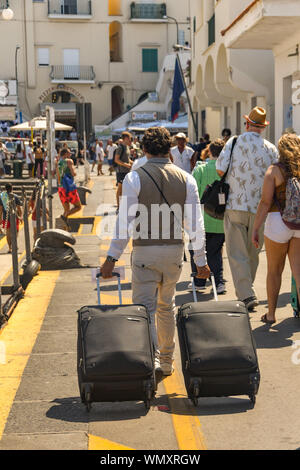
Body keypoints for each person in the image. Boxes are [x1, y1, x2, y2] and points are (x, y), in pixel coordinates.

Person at [100, 127, 210, 378]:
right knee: (166, 307)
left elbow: (124, 222)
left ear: (144, 150)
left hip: (144, 253)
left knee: (144, 309)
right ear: (169, 149)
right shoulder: (186, 179)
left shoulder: (134, 178)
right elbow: (195, 224)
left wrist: (111, 259)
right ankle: (167, 360)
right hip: (174, 252)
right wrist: (200, 260)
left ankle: (149, 360)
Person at [216, 106, 279, 311]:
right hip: (261, 207)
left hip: (235, 204)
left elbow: (219, 169)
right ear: (262, 128)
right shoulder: (271, 148)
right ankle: (247, 290)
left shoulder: (234, 142)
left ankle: (246, 293)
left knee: (236, 252)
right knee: (253, 251)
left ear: (247, 124)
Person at [252, 133, 300, 324]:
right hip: (299, 224)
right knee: (298, 269)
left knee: (274, 270)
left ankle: (271, 314)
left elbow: (265, 203)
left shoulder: (274, 170)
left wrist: (255, 229)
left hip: (277, 222)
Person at [191, 139, 226, 294]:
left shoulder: (200, 170)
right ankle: (218, 282)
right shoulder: (227, 170)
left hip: (201, 219)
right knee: (215, 252)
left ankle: (199, 281)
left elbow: (193, 195)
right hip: (221, 220)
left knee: (197, 249)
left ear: (210, 152)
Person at [56, 147, 82, 229]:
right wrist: (74, 171)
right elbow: (73, 173)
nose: (70, 154)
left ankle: (64, 224)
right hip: (70, 188)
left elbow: (58, 176)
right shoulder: (69, 161)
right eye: (69, 153)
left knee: (66, 209)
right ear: (66, 154)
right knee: (78, 207)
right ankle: (63, 218)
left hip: (61, 188)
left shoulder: (58, 162)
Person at [0, 183, 23, 253]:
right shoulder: (15, 196)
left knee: (8, 233)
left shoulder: (2, 197)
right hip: (14, 217)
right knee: (15, 232)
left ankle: (10, 247)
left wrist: (0, 219)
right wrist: (21, 217)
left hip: (5, 217)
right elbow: (19, 208)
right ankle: (14, 245)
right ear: (12, 188)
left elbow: (0, 209)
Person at [114, 132, 133, 211]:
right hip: (121, 171)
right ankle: (119, 206)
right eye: (129, 138)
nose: (130, 140)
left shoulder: (127, 147)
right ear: (125, 138)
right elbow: (116, 160)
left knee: (126, 189)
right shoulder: (120, 147)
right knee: (120, 189)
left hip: (127, 171)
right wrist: (126, 165)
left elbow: (127, 159)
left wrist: (133, 163)